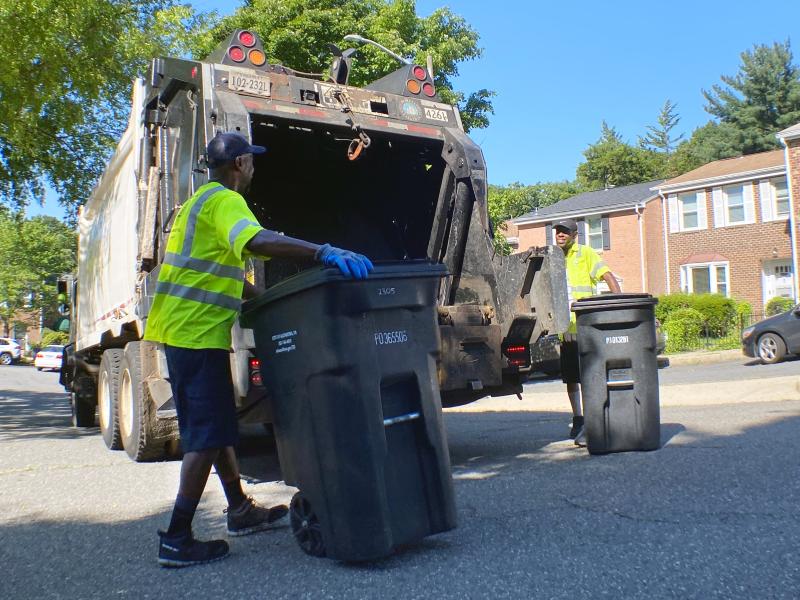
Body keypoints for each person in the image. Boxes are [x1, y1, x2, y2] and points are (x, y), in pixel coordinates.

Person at [145, 131, 374, 568]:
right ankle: (176, 537)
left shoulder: (197, 203)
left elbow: (217, 270)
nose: (254, 166)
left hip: (184, 331)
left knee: (216, 429)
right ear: (239, 164)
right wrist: (321, 251)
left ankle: (239, 510)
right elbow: (257, 241)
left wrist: (263, 302)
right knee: (205, 436)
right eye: (251, 159)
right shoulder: (228, 202)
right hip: (195, 333)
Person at [552, 218, 620, 446]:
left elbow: (607, 275)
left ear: (574, 234)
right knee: (572, 376)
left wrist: (619, 303)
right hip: (565, 328)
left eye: (564, 232)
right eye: (557, 232)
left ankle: (596, 415)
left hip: (587, 325)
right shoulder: (552, 256)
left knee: (591, 374)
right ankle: (578, 419)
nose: (560, 235)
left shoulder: (586, 253)